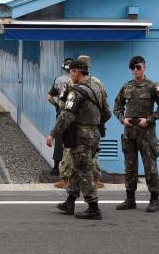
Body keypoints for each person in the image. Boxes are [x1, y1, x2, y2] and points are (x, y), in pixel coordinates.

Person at [46, 59, 111, 220]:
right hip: (94, 135)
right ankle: (70, 201)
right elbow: (107, 113)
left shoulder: (76, 92)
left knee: (84, 170)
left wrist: (53, 134)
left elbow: (66, 115)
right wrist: (94, 124)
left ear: (77, 72)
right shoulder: (98, 88)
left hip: (81, 136)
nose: (70, 75)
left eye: (71, 72)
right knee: (78, 167)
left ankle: (93, 207)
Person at [113, 55, 159, 212]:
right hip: (130, 132)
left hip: (147, 133)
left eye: (138, 67)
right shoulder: (126, 87)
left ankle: (154, 200)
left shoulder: (153, 86)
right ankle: (130, 199)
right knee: (130, 167)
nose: (136, 70)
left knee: (150, 167)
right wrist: (122, 119)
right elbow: (117, 107)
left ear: (145, 67)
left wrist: (149, 119)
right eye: (133, 68)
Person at [53, 55, 106, 190]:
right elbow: (106, 109)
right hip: (90, 127)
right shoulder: (95, 83)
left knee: (75, 153)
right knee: (85, 154)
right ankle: (74, 183)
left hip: (77, 126)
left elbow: (63, 105)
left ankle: (84, 184)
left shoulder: (76, 83)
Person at [47, 58, 73, 187]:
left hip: (61, 113)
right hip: (74, 115)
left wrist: (57, 106)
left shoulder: (58, 80)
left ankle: (56, 167)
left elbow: (49, 97)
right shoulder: (76, 80)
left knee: (59, 139)